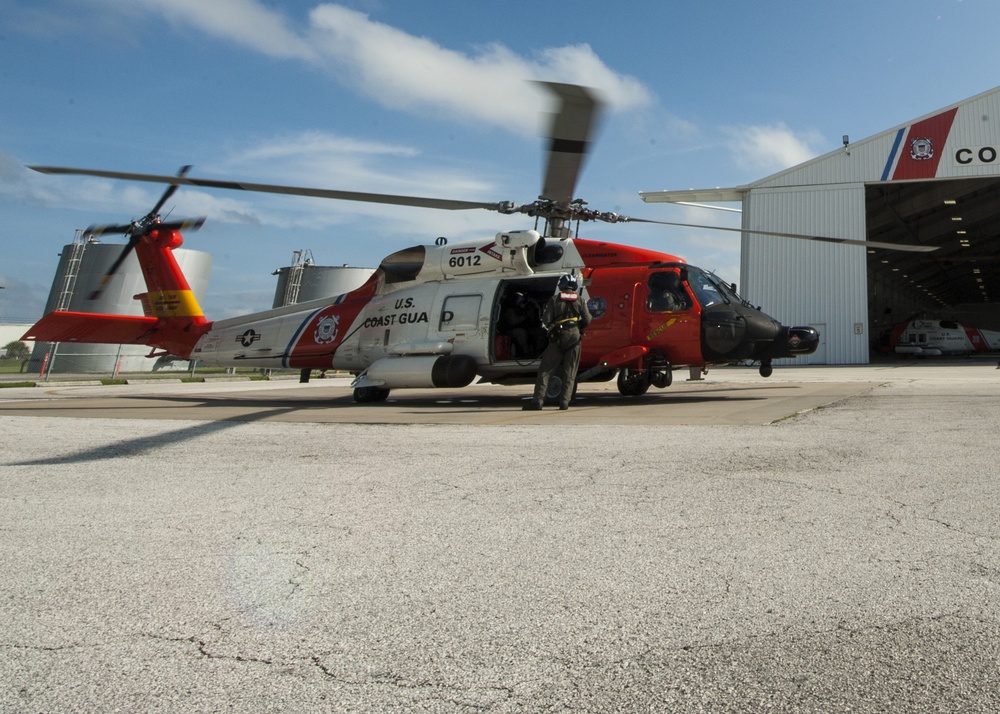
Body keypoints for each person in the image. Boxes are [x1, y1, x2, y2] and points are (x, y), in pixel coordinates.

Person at [523, 274, 592, 411]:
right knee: (570, 371)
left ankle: (538, 401)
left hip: (558, 337)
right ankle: (564, 402)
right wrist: (579, 327)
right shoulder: (581, 300)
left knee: (546, 370)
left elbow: (546, 319)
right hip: (574, 337)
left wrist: (553, 327)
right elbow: (587, 320)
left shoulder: (554, 300)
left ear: (562, 285)